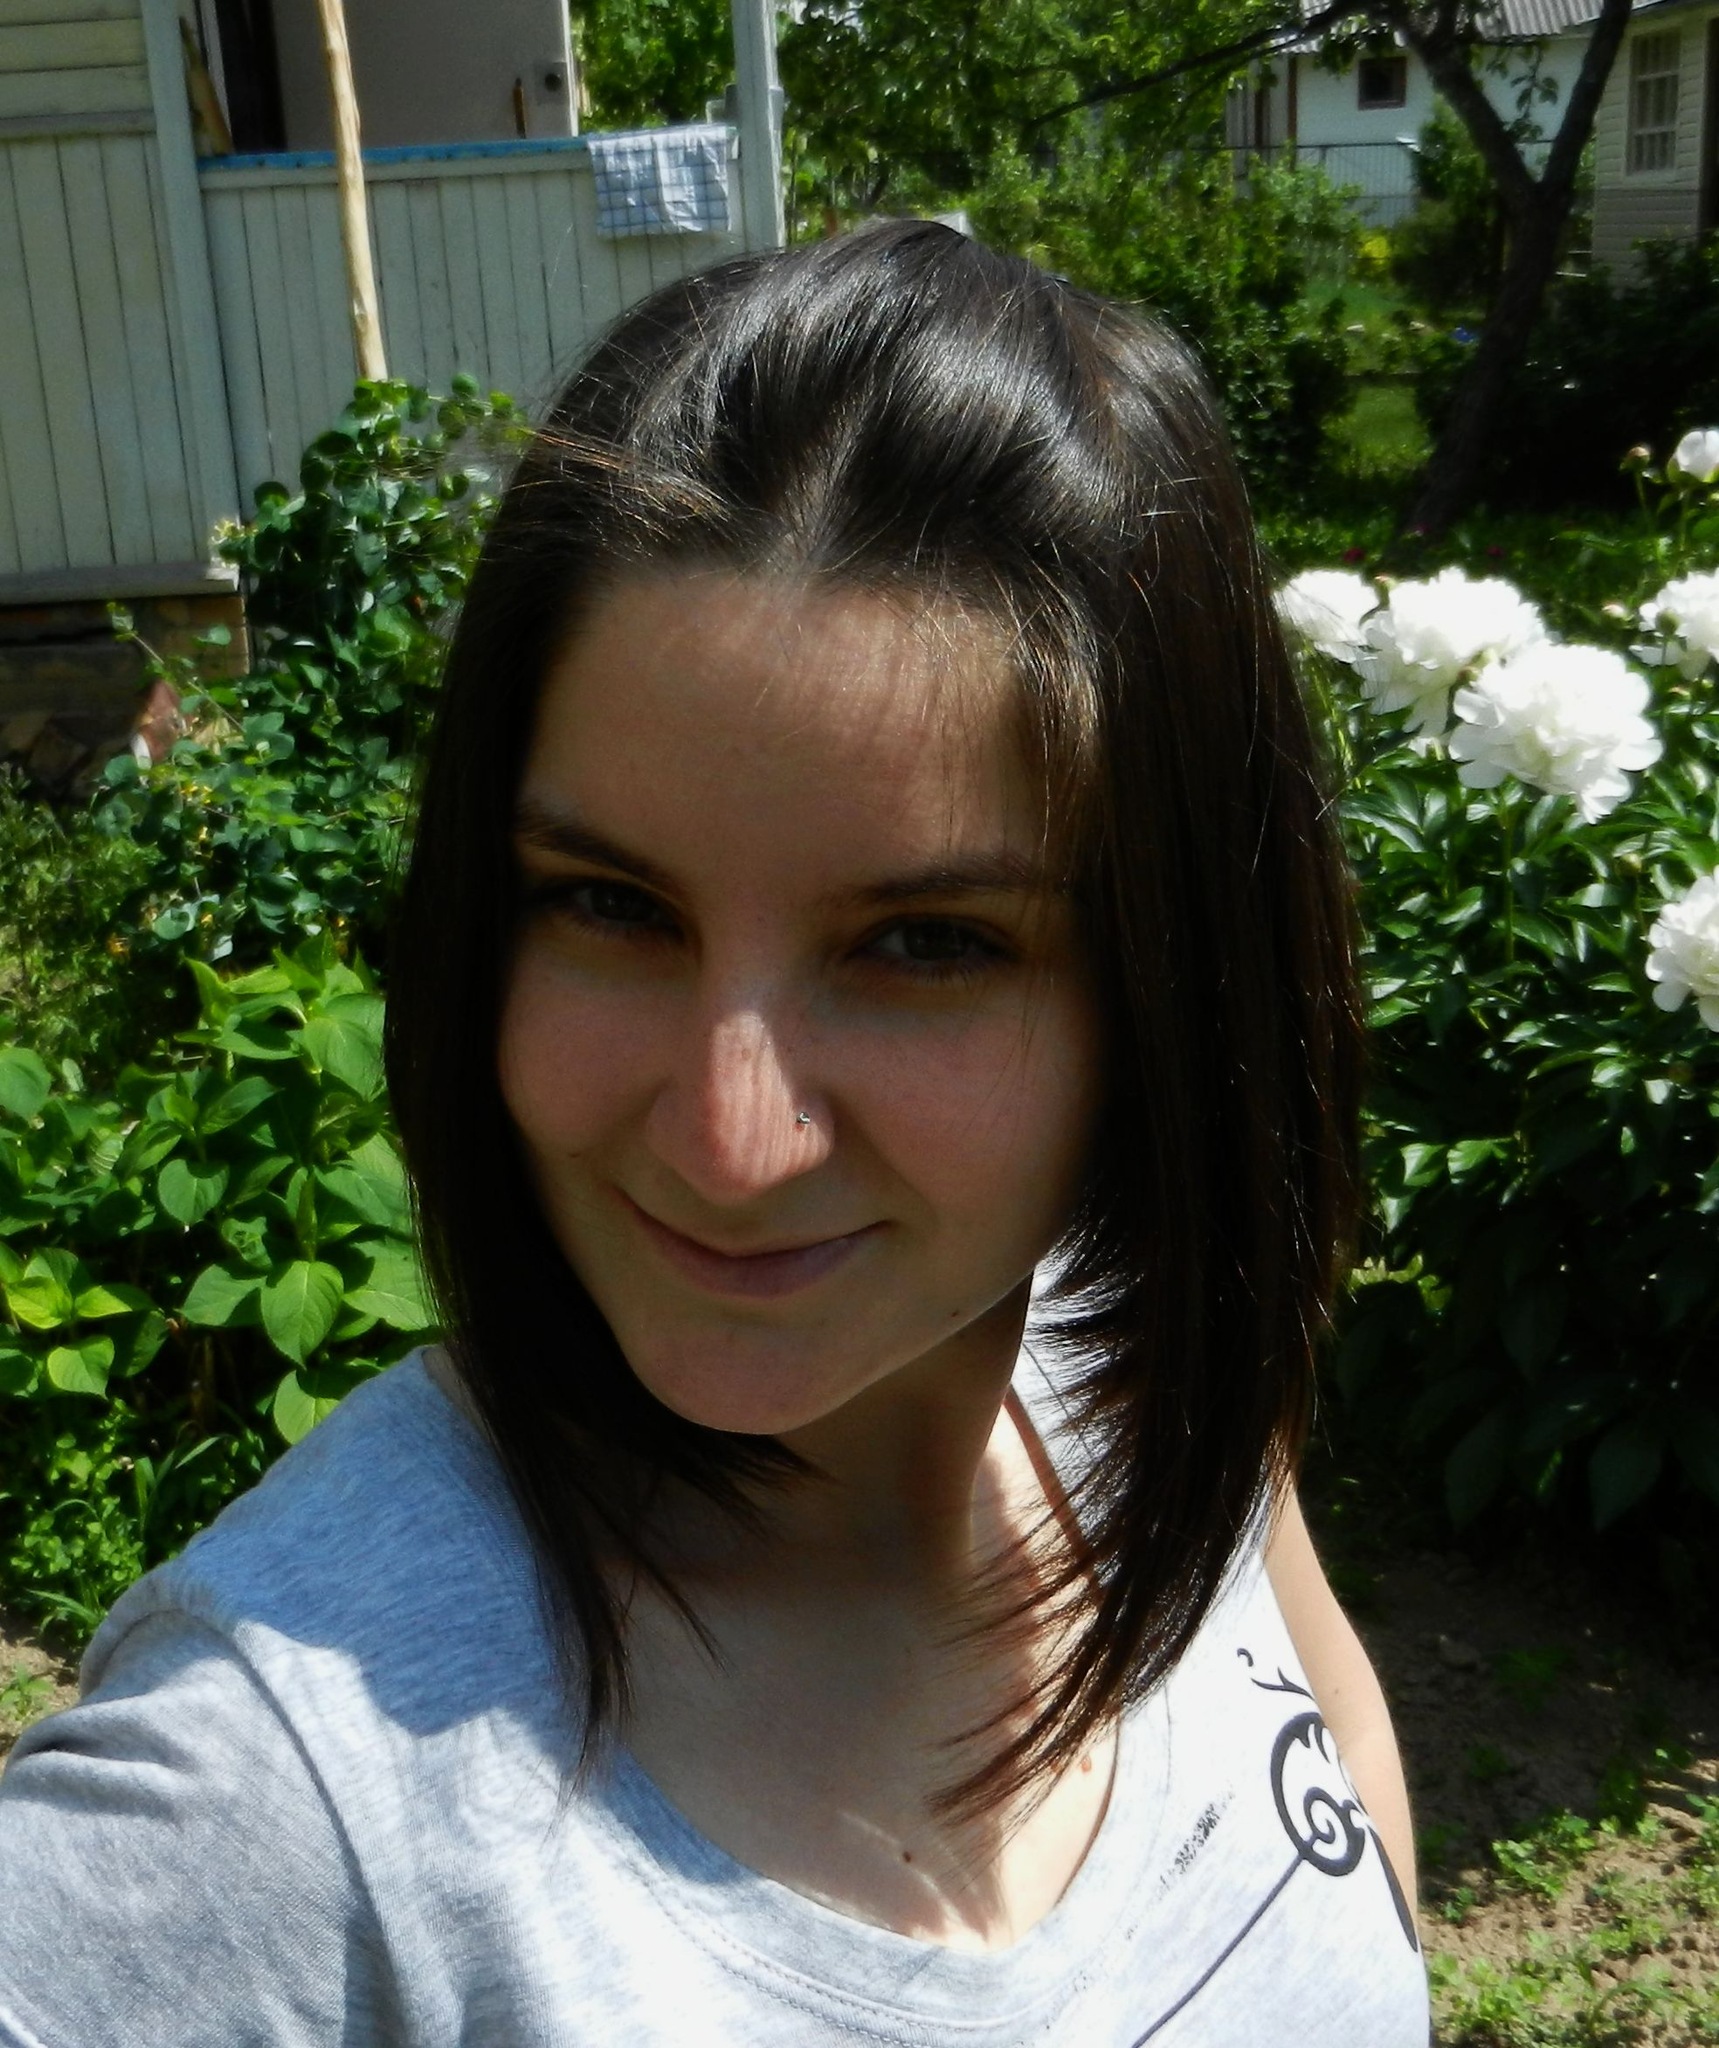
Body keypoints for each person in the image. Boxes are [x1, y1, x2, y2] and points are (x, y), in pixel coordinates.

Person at [0, 221, 1429, 2045]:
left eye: (926, 943)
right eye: (609, 907)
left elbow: (1325, 1716)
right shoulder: (266, 1796)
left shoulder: (1118, 1350)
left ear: (1175, 991)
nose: (731, 1145)